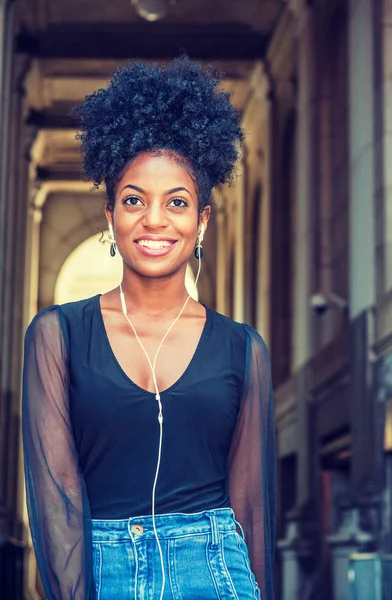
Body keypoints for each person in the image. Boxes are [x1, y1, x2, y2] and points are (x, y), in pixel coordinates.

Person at [22, 57, 276, 600]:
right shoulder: (57, 335)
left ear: (201, 221)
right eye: (134, 200)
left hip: (217, 573)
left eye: (177, 202)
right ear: (110, 213)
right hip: (104, 570)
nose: (155, 220)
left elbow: (251, 511)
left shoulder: (243, 348)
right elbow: (58, 496)